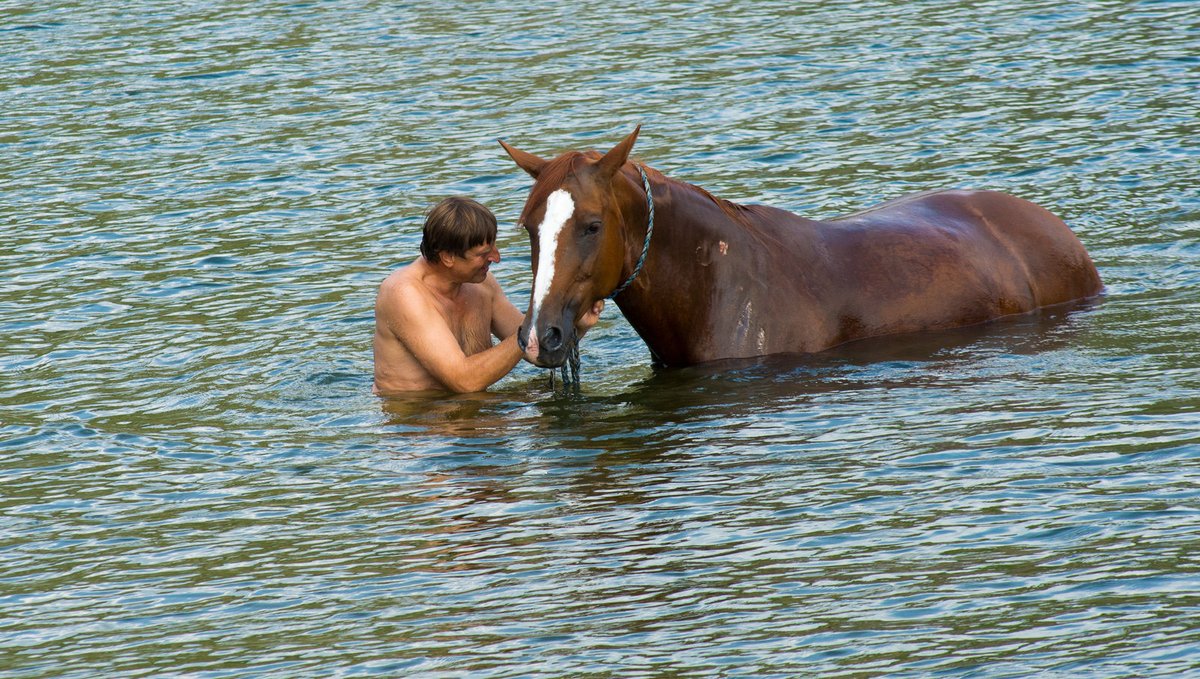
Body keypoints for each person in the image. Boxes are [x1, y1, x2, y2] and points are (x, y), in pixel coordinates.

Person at [373, 196, 602, 395]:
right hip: (420, 426)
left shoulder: (482, 284)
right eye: (483, 254)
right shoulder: (404, 294)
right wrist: (534, 322)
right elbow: (464, 380)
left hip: (473, 410)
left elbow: (535, 350)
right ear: (447, 257)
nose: (496, 258)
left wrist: (575, 324)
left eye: (494, 247)